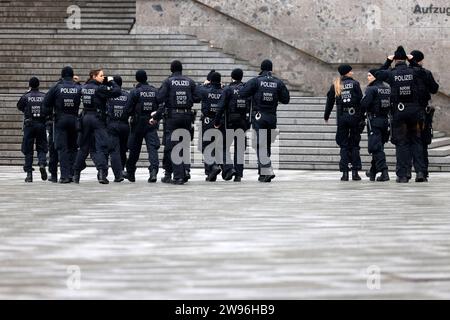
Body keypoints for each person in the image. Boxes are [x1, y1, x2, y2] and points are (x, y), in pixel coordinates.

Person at [380, 46, 430, 183]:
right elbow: (424, 74)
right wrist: (413, 62)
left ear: (396, 59)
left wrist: (387, 62)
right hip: (415, 113)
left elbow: (377, 74)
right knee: (417, 142)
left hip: (399, 114)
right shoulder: (414, 71)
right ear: (406, 59)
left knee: (402, 144)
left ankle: (403, 175)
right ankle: (420, 172)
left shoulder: (391, 73)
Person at [239, 59, 290, 182]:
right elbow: (286, 99)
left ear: (261, 68)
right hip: (272, 117)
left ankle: (267, 170)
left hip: (259, 116)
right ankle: (263, 173)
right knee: (266, 145)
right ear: (271, 69)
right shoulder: (278, 82)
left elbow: (242, 93)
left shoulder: (256, 81)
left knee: (260, 144)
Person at [150, 60, 201, 185]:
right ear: (181, 69)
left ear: (171, 69)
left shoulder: (168, 81)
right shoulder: (189, 81)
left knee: (174, 147)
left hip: (173, 116)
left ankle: (178, 177)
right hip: (187, 116)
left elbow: (159, 97)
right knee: (184, 145)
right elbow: (198, 97)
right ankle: (184, 172)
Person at [73, 69, 121, 184]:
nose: (102, 77)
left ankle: (76, 174)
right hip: (97, 119)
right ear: (94, 76)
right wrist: (110, 81)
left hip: (85, 118)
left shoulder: (84, 87)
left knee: (84, 147)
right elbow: (117, 91)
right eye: (101, 75)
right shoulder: (99, 88)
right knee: (102, 146)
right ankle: (101, 173)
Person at [324, 64, 363, 181]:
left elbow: (329, 102)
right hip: (354, 116)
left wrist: (326, 116)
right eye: (351, 71)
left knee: (344, 146)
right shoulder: (355, 84)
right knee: (355, 145)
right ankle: (355, 173)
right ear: (347, 72)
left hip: (342, 118)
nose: (352, 72)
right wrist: (362, 117)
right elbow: (361, 101)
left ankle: (345, 173)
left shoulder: (336, 84)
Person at [43, 66, 82, 183]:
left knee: (62, 148)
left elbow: (46, 102)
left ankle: (64, 176)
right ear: (72, 75)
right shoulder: (78, 87)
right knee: (73, 148)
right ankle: (73, 174)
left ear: (62, 75)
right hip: (74, 119)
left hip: (60, 120)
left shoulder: (57, 87)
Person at [214, 68, 252, 182]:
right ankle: (238, 174)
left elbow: (220, 107)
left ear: (232, 77)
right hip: (242, 122)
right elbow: (250, 107)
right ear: (241, 77)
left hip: (229, 122)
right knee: (239, 148)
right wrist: (248, 122)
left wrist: (216, 121)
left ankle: (229, 168)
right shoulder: (246, 89)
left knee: (223, 146)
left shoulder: (228, 89)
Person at [123, 70, 161, 183]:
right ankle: (153, 171)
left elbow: (127, 109)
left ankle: (130, 173)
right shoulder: (155, 91)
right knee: (152, 149)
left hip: (138, 124)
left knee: (134, 150)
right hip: (151, 122)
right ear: (146, 77)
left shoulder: (135, 92)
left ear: (137, 79)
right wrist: (156, 118)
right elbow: (161, 107)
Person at [409, 50, 440, 180]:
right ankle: (422, 171)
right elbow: (434, 89)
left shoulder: (404, 72)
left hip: (405, 111)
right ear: (420, 60)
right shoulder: (425, 73)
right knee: (422, 142)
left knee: (407, 143)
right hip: (421, 112)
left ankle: (406, 172)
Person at [361, 69, 391, 182]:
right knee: (378, 146)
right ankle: (373, 172)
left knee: (375, 147)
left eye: (369, 75)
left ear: (375, 77)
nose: (368, 78)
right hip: (385, 121)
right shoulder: (387, 89)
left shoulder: (371, 89)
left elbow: (364, 104)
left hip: (374, 121)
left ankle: (384, 172)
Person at [17, 77, 48, 182]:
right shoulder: (44, 96)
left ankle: (29, 175)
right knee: (42, 147)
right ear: (38, 85)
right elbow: (48, 109)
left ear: (30, 85)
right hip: (41, 124)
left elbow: (19, 106)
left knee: (28, 150)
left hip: (29, 125)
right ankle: (42, 164)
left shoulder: (26, 96)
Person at [106, 75, 130, 183]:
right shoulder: (127, 95)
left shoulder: (109, 95)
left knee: (114, 150)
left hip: (112, 124)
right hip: (125, 125)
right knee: (123, 150)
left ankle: (118, 174)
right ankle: (122, 169)